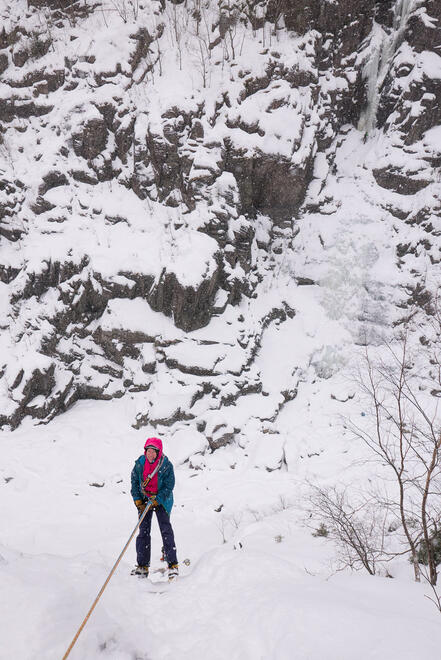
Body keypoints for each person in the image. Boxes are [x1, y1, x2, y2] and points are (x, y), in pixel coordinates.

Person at [130, 437, 179, 580]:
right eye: (148, 451)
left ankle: (173, 565)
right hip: (145, 499)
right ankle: (142, 566)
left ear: (159, 452)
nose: (150, 454)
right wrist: (137, 499)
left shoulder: (166, 465)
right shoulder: (140, 464)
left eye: (153, 452)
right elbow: (134, 481)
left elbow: (169, 485)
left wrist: (158, 500)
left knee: (166, 530)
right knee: (143, 531)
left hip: (162, 500)